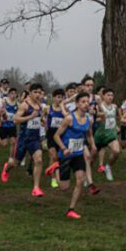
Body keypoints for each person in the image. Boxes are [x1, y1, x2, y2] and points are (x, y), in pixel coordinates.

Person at [53, 91, 97, 219]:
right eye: (83, 102)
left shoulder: (88, 120)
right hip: (66, 155)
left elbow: (89, 134)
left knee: (80, 180)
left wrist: (93, 145)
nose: (86, 104)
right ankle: (55, 169)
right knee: (64, 187)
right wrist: (63, 148)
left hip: (78, 154)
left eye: (87, 102)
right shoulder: (69, 119)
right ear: (77, 104)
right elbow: (56, 136)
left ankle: (71, 209)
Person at [4, 84, 46, 196]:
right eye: (35, 92)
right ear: (30, 93)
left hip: (35, 139)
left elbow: (39, 118)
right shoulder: (24, 105)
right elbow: (16, 119)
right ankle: (7, 168)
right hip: (23, 139)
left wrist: (42, 121)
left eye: (39, 92)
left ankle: (36, 187)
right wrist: (30, 117)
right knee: (15, 163)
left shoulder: (39, 105)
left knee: (39, 160)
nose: (38, 95)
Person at [93, 87, 121, 181]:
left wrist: (117, 125)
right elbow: (94, 119)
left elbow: (116, 118)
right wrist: (101, 119)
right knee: (92, 158)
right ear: (103, 96)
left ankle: (108, 167)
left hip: (111, 134)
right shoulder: (99, 106)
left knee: (116, 151)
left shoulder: (115, 106)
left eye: (112, 95)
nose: (110, 97)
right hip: (100, 135)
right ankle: (85, 175)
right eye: (108, 95)